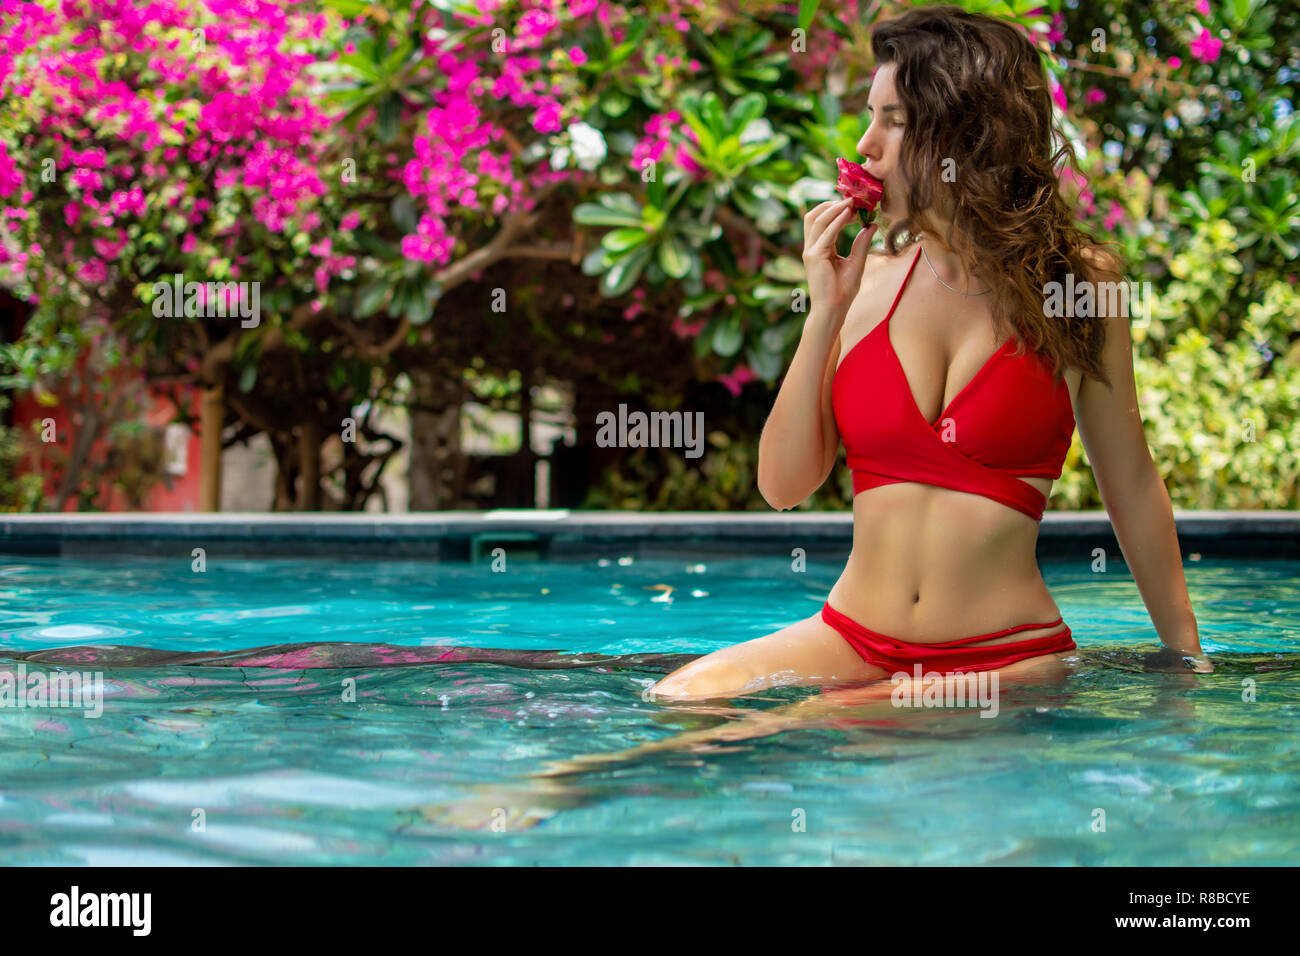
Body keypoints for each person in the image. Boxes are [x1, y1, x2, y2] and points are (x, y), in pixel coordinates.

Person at [651, 4, 1212, 702]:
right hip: (853, 637)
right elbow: (784, 487)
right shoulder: (867, 282)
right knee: (679, 702)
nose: (864, 145)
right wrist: (824, 311)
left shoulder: (1080, 284)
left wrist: (1187, 662)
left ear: (964, 130)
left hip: (1006, 658)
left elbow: (1128, 479)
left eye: (893, 120)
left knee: (799, 722)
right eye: (869, 116)